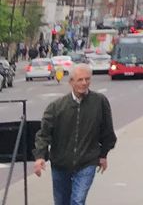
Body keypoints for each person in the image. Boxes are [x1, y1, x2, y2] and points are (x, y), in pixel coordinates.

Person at [32, 64, 116, 205]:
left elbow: (108, 131)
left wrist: (103, 155)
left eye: (87, 79)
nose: (84, 83)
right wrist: (40, 157)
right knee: (62, 202)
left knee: (77, 200)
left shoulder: (99, 102)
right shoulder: (57, 107)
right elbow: (44, 134)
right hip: (60, 163)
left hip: (87, 161)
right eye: (80, 80)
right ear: (71, 82)